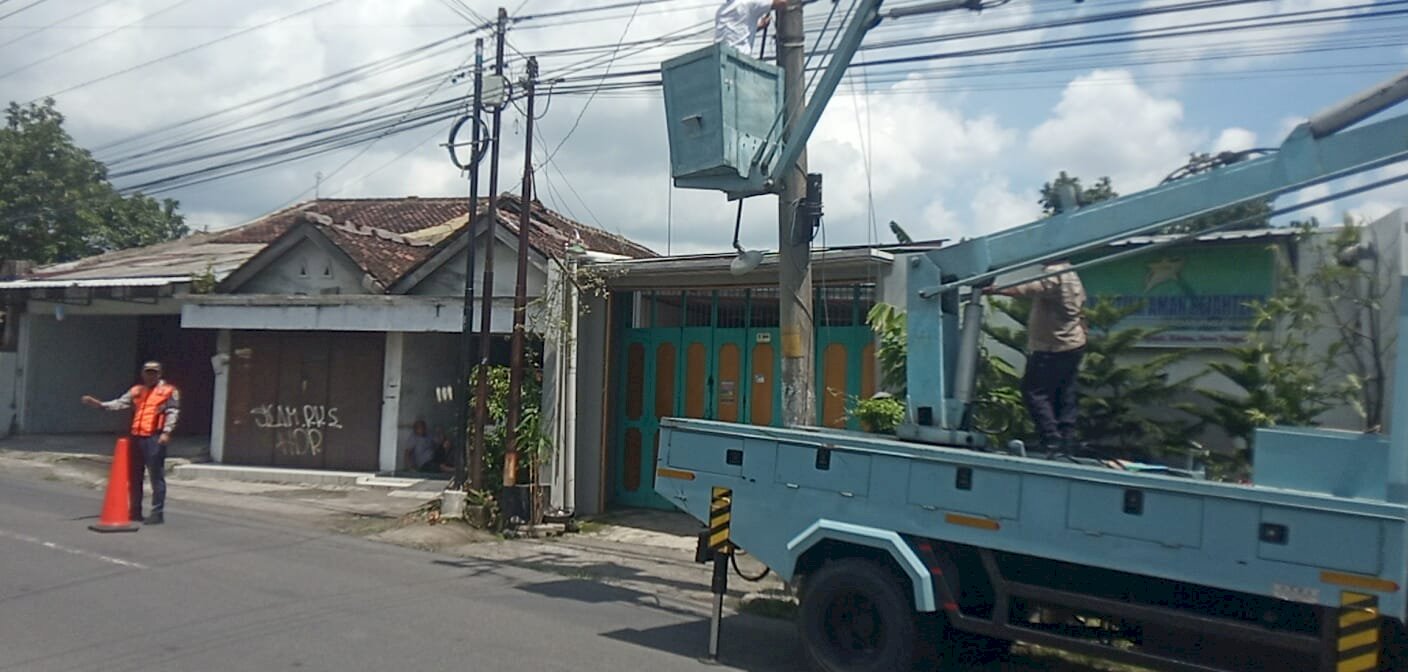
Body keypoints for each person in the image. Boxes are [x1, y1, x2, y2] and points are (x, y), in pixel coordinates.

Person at [993, 260, 1087, 453]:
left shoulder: (1054, 272)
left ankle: (1050, 437)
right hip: (1073, 342)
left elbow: (1032, 287)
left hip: (1052, 346)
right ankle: (1066, 439)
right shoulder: (1071, 272)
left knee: (1034, 392)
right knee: (1065, 392)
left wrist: (996, 289)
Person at [81, 361, 180, 525]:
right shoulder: (137, 391)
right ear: (143, 373)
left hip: (154, 437)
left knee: (156, 475)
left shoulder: (168, 391)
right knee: (134, 476)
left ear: (160, 374)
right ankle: (135, 510)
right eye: (148, 372)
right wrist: (100, 405)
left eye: (154, 372)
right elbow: (120, 403)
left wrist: (166, 432)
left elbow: (172, 412)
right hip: (137, 437)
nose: (150, 375)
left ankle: (157, 513)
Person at [715, 0, 789, 52]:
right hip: (739, 58)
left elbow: (737, 30)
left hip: (720, 56)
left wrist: (759, 26)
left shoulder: (721, 11)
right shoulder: (749, 3)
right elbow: (782, 2)